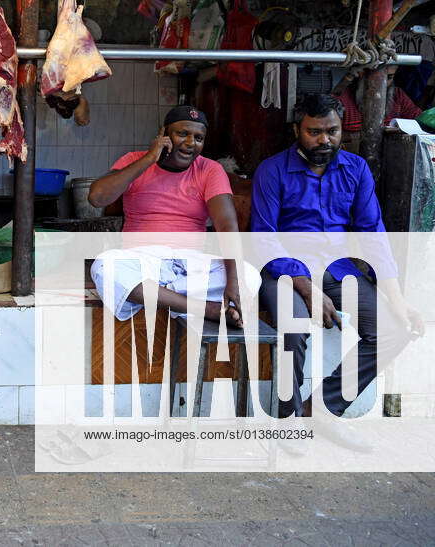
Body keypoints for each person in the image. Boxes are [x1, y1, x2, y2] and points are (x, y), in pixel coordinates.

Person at [251, 93, 420, 426]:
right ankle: (290, 420)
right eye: (314, 131)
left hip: (339, 271)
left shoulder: (355, 170)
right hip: (284, 271)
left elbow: (373, 234)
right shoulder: (272, 171)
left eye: (332, 130)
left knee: (394, 331)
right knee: (294, 328)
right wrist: (307, 288)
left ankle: (322, 411)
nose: (325, 139)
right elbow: (263, 239)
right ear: (297, 130)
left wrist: (396, 299)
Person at [87, 105, 246, 326]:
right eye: (182, 134)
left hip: (190, 266)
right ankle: (205, 308)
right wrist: (149, 159)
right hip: (144, 261)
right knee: (105, 266)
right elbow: (97, 197)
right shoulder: (134, 160)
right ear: (163, 134)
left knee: (248, 275)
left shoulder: (209, 170)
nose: (191, 143)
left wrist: (234, 283)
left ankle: (159, 296)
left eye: (198, 138)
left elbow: (227, 226)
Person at [339, 65, 422, 132]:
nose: (384, 84)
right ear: (362, 74)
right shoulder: (343, 99)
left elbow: (420, 120)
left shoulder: (398, 96)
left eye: (389, 77)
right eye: (379, 77)